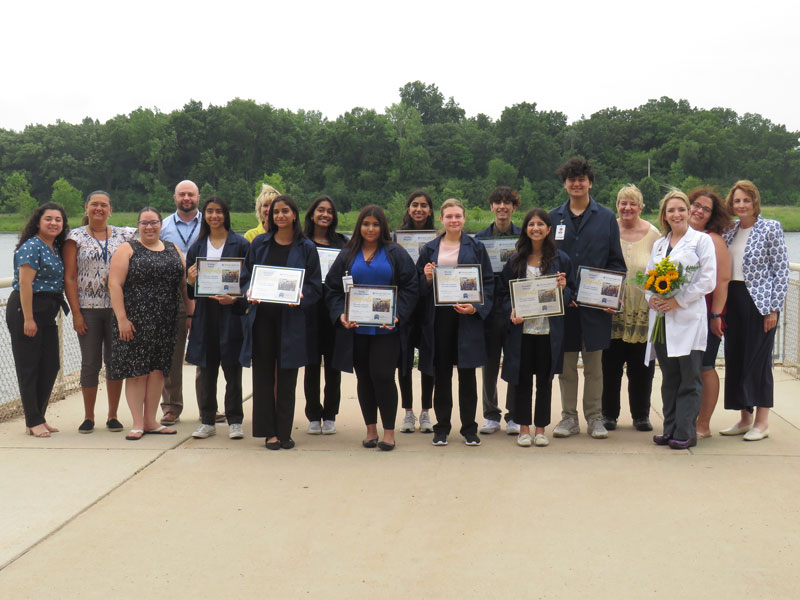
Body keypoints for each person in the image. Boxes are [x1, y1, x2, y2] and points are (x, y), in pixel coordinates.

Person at [325, 205, 418, 450]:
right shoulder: (347, 253)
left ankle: (389, 432)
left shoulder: (395, 252)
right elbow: (332, 289)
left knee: (383, 376)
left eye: (375, 224)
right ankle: (370, 430)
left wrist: (399, 314)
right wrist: (340, 314)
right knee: (364, 378)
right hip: (356, 329)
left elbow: (411, 286)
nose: (370, 229)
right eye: (366, 224)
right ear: (359, 226)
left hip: (387, 330)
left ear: (382, 227)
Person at [549, 158, 626, 439]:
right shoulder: (552, 217)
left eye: (582, 179)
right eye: (571, 179)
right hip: (563, 306)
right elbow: (546, 262)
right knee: (567, 368)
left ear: (590, 183)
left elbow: (617, 263)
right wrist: (563, 293)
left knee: (595, 368)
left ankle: (595, 418)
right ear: (565, 184)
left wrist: (611, 296)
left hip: (595, 308)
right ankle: (568, 418)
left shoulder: (606, 218)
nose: (576, 183)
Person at [240, 195, 322, 450]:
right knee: (263, 376)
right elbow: (246, 277)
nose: (280, 216)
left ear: (295, 215)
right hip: (262, 318)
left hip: (291, 319)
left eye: (285, 211)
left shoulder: (306, 247)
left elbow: (315, 286)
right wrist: (248, 292)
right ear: (269, 216)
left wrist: (302, 296)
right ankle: (269, 432)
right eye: (276, 212)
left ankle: (284, 432)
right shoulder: (260, 244)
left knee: (287, 376)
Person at [109, 207, 191, 440]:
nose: (149, 227)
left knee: (157, 371)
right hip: (134, 322)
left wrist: (191, 314)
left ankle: (151, 421)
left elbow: (184, 284)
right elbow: (114, 285)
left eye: (153, 222)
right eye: (144, 223)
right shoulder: (127, 249)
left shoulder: (173, 249)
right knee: (137, 372)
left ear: (160, 225)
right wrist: (122, 319)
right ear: (138, 226)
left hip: (166, 320)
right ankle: (136, 423)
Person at [417, 198, 494, 447]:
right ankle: (441, 428)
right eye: (449, 216)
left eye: (458, 216)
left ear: (464, 218)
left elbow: (488, 282)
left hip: (466, 317)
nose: (454, 220)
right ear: (441, 219)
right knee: (441, 375)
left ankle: (469, 428)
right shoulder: (429, 248)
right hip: (439, 318)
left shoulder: (476, 247)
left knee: (467, 374)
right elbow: (417, 285)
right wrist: (427, 278)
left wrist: (477, 307)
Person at [646, 191, 716, 449]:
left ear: (688, 211)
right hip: (662, 320)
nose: (676, 214)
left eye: (681, 209)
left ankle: (686, 432)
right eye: (671, 210)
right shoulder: (660, 244)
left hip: (687, 317)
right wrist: (650, 299)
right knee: (669, 377)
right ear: (664, 215)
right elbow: (648, 279)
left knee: (689, 377)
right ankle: (670, 428)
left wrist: (678, 300)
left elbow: (707, 280)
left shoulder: (700, 241)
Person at [719, 180, 789, 441]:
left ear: (755, 201)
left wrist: (773, 308)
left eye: (746, 200)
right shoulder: (730, 230)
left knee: (758, 362)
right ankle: (744, 419)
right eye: (737, 201)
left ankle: (762, 422)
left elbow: (780, 270)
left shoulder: (770, 228)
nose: (741, 205)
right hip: (732, 300)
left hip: (760, 303)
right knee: (736, 357)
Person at [64, 191, 136, 434]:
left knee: (115, 362)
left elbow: (152, 233)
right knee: (90, 363)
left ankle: (113, 415)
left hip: (117, 309)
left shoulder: (124, 234)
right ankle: (88, 416)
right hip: (88, 309)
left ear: (110, 209)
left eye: (103, 205)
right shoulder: (75, 236)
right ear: (86, 207)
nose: (99, 209)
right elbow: (70, 277)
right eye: (94, 204)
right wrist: (76, 313)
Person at [500, 209, 573, 447]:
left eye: (541, 224)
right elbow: (504, 294)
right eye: (531, 224)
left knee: (545, 380)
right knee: (522, 381)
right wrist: (511, 310)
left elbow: (572, 293)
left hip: (548, 331)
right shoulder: (515, 259)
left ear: (549, 229)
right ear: (525, 229)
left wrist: (563, 288)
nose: (536, 228)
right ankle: (523, 428)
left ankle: (540, 429)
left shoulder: (561, 259)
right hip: (522, 331)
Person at [185, 197, 250, 440]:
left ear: (226, 215)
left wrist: (235, 298)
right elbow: (191, 288)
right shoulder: (198, 246)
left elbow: (248, 281)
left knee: (232, 368)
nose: (214, 216)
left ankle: (235, 420)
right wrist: (190, 280)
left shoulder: (241, 244)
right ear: (205, 215)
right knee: (207, 367)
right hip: (205, 313)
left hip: (231, 313)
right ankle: (207, 420)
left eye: (219, 212)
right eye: (210, 212)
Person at [601, 185, 661, 432]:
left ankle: (640, 415)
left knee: (641, 368)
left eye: (632, 204)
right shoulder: (607, 229)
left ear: (641, 207)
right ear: (617, 205)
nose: (627, 208)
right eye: (623, 203)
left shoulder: (654, 234)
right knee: (610, 368)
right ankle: (608, 415)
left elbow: (662, 268)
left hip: (642, 312)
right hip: (610, 311)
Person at [7, 203, 69, 437]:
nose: (54, 223)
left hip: (48, 310)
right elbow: (24, 284)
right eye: (48, 219)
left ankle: (38, 416)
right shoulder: (31, 246)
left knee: (51, 364)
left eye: (58, 220)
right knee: (29, 366)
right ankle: (33, 420)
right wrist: (28, 318)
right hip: (26, 309)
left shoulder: (54, 247)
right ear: (38, 222)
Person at [475, 186, 522, 436]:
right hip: (489, 308)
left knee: (514, 361)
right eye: (497, 202)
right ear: (491, 207)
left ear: (514, 207)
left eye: (507, 202)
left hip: (516, 307)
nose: (502, 206)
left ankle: (514, 415)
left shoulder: (524, 236)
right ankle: (491, 415)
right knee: (489, 363)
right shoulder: (479, 238)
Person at [687, 188, 732, 439]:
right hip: (684, 313)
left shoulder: (713, 239)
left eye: (706, 209)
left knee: (705, 367)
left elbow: (722, 281)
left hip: (707, 313)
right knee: (687, 368)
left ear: (712, 215)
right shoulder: (681, 236)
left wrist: (716, 315)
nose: (698, 211)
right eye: (695, 205)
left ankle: (703, 424)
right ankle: (685, 418)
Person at [303, 195, 349, 435]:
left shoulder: (342, 243)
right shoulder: (302, 241)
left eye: (329, 211)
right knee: (311, 365)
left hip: (334, 311)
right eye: (320, 210)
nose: (325, 215)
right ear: (312, 213)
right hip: (308, 310)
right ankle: (313, 414)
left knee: (333, 365)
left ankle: (330, 414)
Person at [158, 180, 203, 426]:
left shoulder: (211, 224)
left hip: (205, 297)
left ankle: (208, 406)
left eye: (191, 194)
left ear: (198, 197)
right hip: (170, 298)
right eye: (182, 194)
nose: (186, 198)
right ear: (174, 197)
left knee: (205, 354)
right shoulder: (162, 226)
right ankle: (171, 406)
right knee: (172, 355)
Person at [396, 190, 436, 434]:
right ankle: (408, 412)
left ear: (430, 210)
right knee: (403, 361)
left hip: (429, 307)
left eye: (423, 205)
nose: (419, 209)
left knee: (428, 361)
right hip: (403, 307)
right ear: (408, 208)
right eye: (414, 205)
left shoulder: (438, 240)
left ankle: (426, 412)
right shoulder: (395, 239)